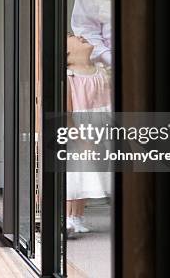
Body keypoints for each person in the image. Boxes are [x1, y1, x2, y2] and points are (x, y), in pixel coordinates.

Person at [65, 34, 111, 235]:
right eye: (72, 37)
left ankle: (78, 215)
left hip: (99, 129)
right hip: (79, 132)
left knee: (90, 175)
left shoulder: (100, 72)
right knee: (75, 175)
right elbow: (66, 114)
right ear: (67, 54)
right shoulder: (69, 76)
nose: (80, 36)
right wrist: (78, 137)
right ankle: (67, 216)